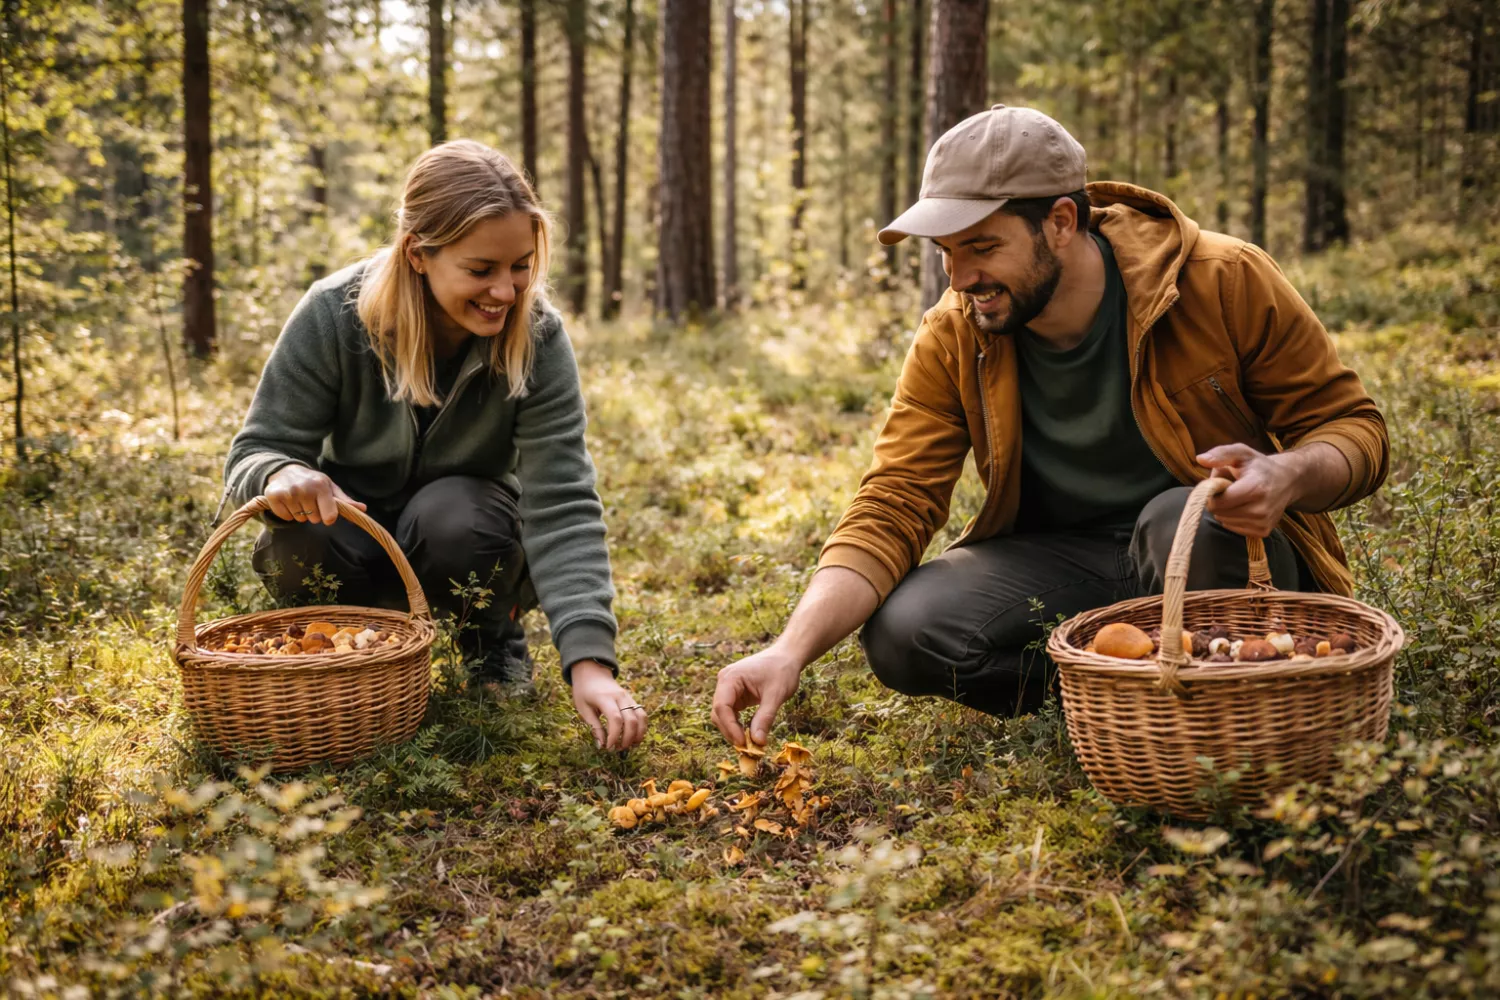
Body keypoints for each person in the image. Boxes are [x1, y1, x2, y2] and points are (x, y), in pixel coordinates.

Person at [711, 106, 1389, 747]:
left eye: (981, 246)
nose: (961, 277)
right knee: (904, 632)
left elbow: (1353, 427)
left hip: (1219, 552)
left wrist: (1287, 472)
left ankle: (1232, 726)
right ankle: (1111, 705)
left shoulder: (1222, 279)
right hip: (1069, 564)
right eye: (945, 251)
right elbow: (894, 499)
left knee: (1184, 517)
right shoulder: (954, 334)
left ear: (1061, 222)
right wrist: (787, 650)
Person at [222, 139, 646, 751]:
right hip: (354, 536)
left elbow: (562, 500)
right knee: (298, 535)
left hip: (468, 536)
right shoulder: (333, 314)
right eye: (481, 270)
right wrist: (278, 475)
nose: (507, 290)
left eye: (521, 265)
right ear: (419, 255)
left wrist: (590, 663)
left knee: (456, 515)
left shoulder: (540, 335)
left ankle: (491, 641)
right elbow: (256, 448)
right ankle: (355, 649)